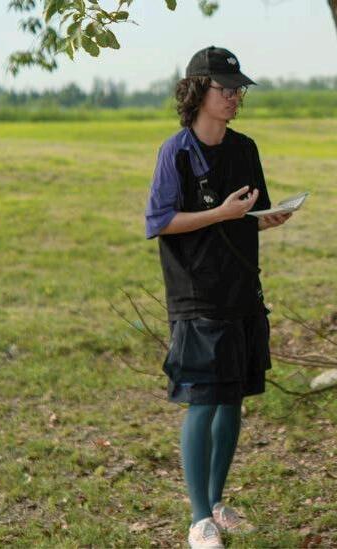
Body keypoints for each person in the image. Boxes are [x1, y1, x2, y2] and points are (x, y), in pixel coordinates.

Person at [144, 45, 291, 549]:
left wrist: (268, 218)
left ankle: (217, 501)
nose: (233, 96)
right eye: (224, 88)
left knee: (231, 400)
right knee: (203, 402)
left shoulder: (245, 149)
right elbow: (160, 221)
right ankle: (198, 518)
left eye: (238, 89)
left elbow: (249, 215)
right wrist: (219, 214)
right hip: (196, 294)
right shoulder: (176, 152)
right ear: (196, 91)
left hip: (242, 289)